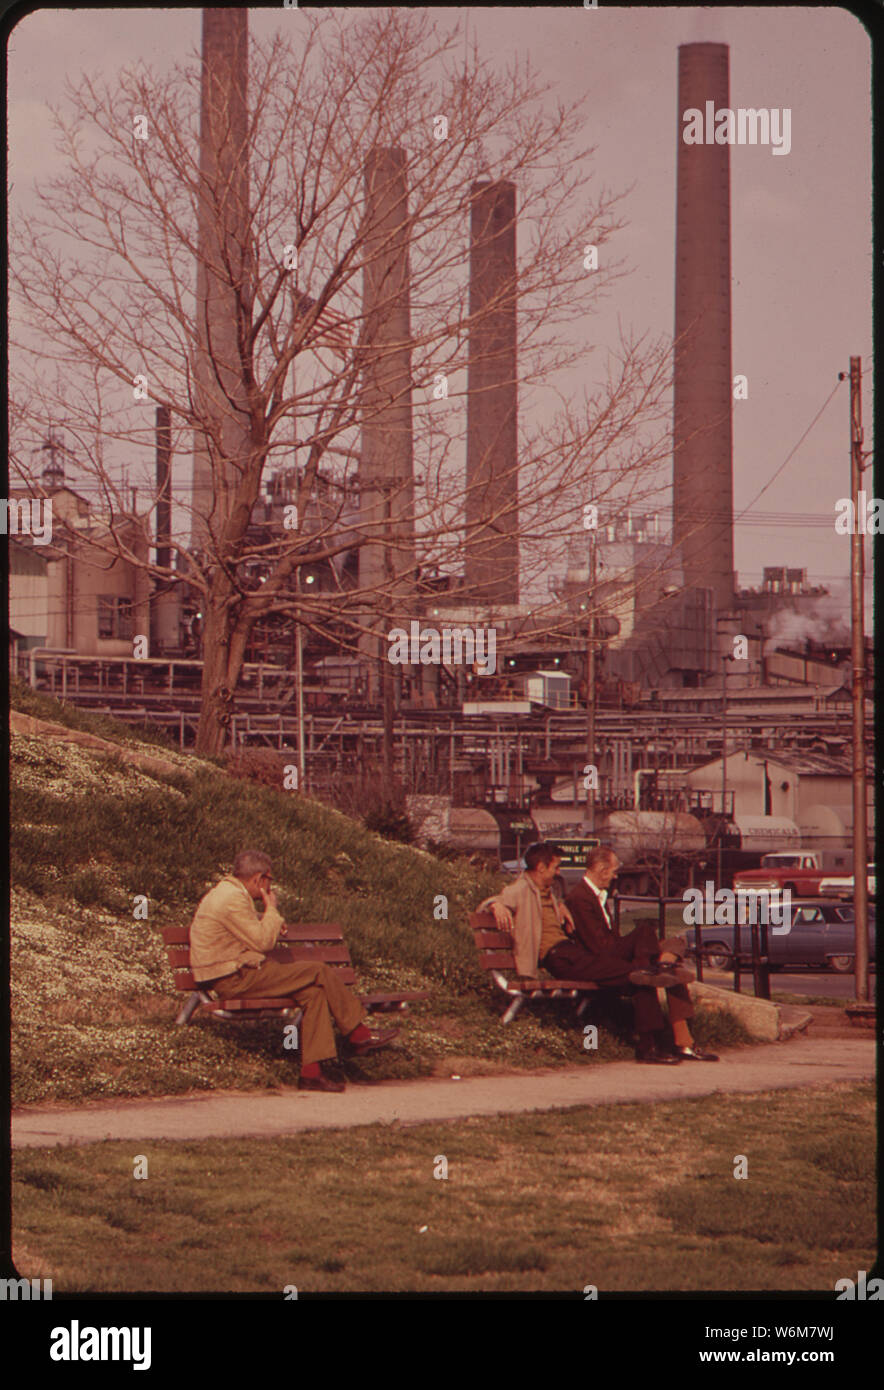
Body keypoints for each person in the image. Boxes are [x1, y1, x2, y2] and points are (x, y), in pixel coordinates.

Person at [189, 850, 397, 1092]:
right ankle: (358, 1032)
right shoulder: (233, 897)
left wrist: (268, 918)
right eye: (270, 880)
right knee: (319, 970)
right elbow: (263, 942)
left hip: (236, 975)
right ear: (258, 879)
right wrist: (272, 910)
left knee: (313, 993)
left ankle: (311, 1074)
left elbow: (242, 926)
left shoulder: (226, 893)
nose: (270, 887)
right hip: (233, 980)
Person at [559, 846, 719, 1064]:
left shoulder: (598, 895)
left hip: (617, 954)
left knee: (673, 949)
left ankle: (684, 1043)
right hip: (601, 960)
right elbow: (598, 946)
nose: (616, 875)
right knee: (644, 941)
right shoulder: (579, 897)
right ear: (600, 869)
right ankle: (653, 1043)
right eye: (613, 870)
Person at [478, 840, 578, 977]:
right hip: (556, 954)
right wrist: (495, 905)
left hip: (565, 949)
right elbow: (491, 903)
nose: (559, 872)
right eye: (556, 867)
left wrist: (559, 905)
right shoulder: (521, 889)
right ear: (541, 868)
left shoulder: (545, 890)